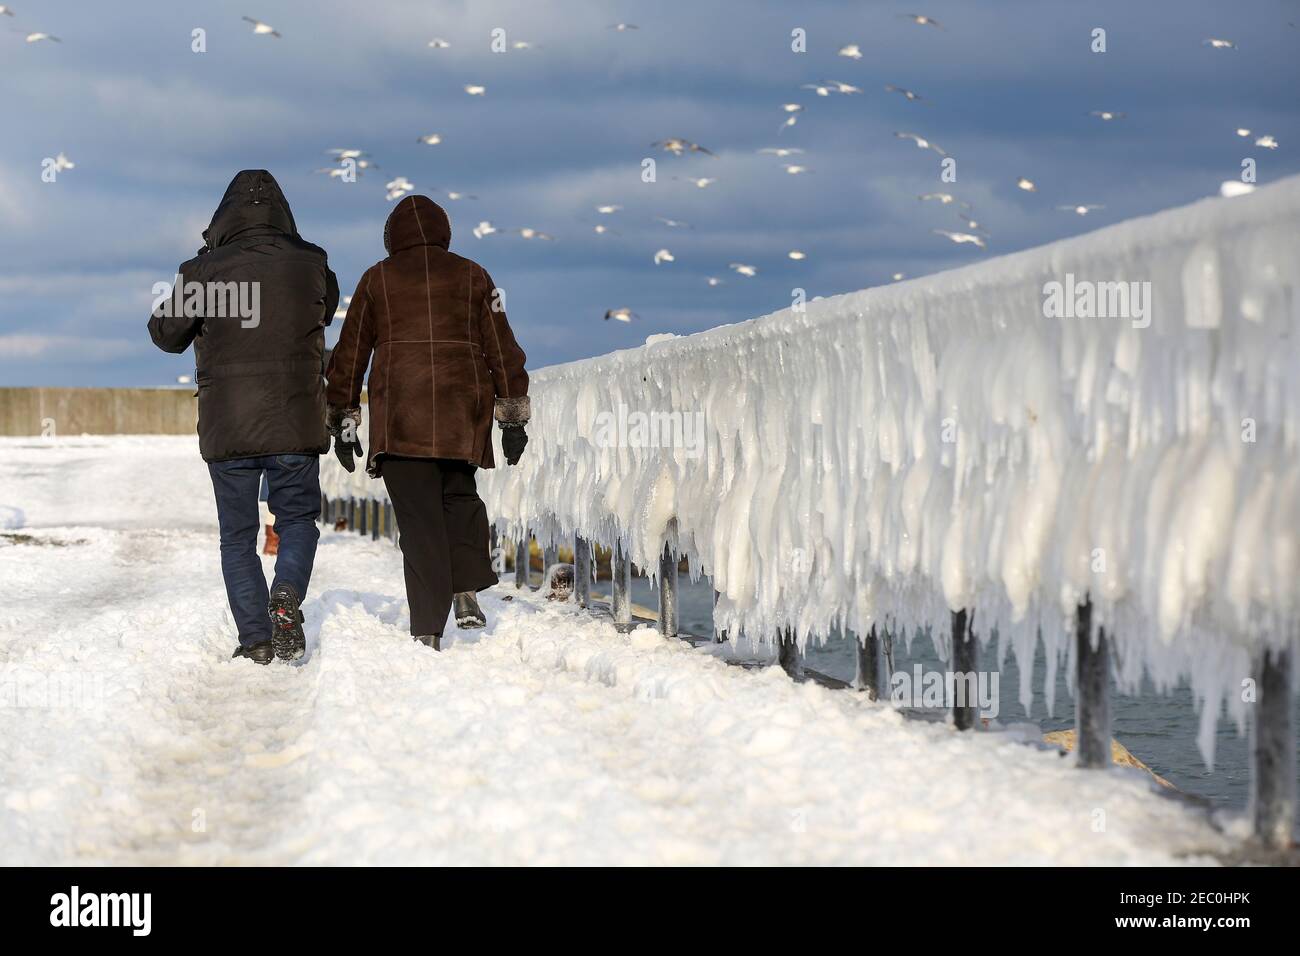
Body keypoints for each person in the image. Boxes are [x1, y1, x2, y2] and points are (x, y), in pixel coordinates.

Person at [149, 169, 339, 664]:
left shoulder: (203, 271)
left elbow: (166, 334)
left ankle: (255, 639)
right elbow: (324, 310)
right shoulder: (312, 261)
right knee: (297, 518)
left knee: (237, 537)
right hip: (295, 420)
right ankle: (288, 594)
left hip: (228, 423)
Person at [326, 194, 528, 650]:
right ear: (445, 232)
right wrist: (512, 414)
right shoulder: (475, 276)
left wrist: (343, 415)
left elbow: (350, 354)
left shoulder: (376, 279)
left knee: (419, 523)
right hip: (462, 412)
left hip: (401, 417)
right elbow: (502, 346)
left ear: (390, 238)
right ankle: (465, 587)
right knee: (459, 499)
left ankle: (427, 629)